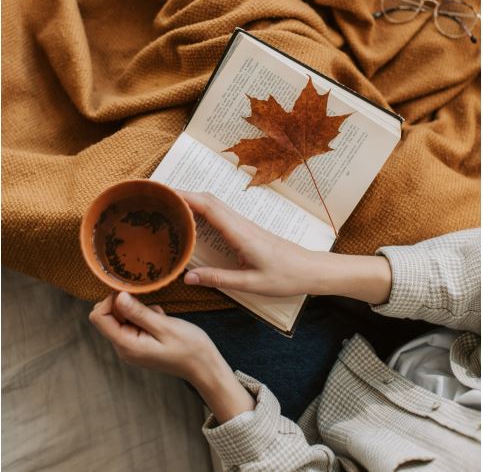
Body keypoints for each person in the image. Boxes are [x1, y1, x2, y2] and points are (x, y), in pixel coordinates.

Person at [90, 191, 481, 471]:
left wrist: (206, 370)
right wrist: (311, 269)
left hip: (319, 410)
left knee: (165, 276)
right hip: (438, 303)